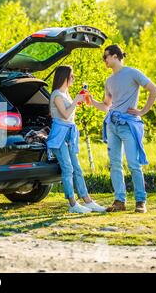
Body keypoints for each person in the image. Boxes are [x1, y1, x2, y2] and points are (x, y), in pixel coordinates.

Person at [90, 45, 156, 213]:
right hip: (112, 125)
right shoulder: (109, 81)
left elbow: (154, 90)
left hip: (128, 125)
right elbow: (107, 105)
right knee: (115, 164)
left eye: (105, 56)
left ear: (115, 56)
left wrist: (142, 111)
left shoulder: (132, 73)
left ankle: (140, 201)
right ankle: (119, 201)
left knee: (134, 164)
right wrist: (91, 101)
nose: (104, 60)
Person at [47, 66, 106, 214]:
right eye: (71, 76)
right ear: (64, 77)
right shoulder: (56, 94)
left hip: (69, 135)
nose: (73, 78)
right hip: (59, 136)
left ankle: (87, 201)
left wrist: (80, 100)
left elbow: (70, 115)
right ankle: (72, 204)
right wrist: (75, 101)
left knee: (77, 169)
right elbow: (66, 115)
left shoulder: (65, 93)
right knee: (68, 168)